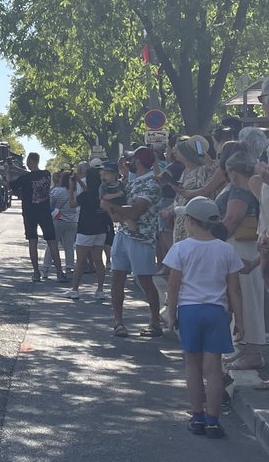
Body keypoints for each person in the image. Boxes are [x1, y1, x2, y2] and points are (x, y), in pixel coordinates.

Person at [164, 196, 245, 439]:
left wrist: (170, 314)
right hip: (216, 311)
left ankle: (197, 416)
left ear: (190, 221)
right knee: (213, 368)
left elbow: (173, 286)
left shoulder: (181, 248)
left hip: (189, 310)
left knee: (192, 366)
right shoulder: (226, 249)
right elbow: (234, 289)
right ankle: (213, 420)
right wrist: (239, 320)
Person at [105, 146, 163, 337]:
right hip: (123, 233)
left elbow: (135, 211)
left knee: (145, 280)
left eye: (130, 160)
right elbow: (120, 212)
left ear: (137, 161)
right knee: (117, 277)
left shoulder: (151, 185)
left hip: (142, 238)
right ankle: (118, 322)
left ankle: (155, 323)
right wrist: (117, 210)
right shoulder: (131, 182)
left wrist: (112, 206)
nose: (127, 163)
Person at [215, 151, 264, 370]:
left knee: (246, 298)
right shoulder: (252, 188)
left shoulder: (239, 191)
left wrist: (213, 242)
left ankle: (252, 350)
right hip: (248, 245)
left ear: (234, 172)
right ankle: (245, 348)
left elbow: (231, 219)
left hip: (239, 244)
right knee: (244, 297)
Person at [11, 152, 67, 282]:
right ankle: (59, 272)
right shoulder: (46, 174)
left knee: (32, 241)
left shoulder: (25, 178)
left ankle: (36, 272)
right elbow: (31, 174)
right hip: (44, 212)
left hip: (29, 212)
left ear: (30, 162)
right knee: (52, 242)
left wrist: (10, 170)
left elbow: (12, 185)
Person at [63, 167, 109, 301]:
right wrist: (80, 183)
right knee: (98, 260)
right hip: (100, 229)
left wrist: (72, 188)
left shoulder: (85, 195)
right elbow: (89, 190)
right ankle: (100, 290)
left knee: (80, 261)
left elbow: (72, 204)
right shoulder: (102, 193)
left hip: (85, 229)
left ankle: (75, 289)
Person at [48, 171, 77, 274]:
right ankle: (69, 267)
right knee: (69, 246)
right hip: (72, 221)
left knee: (52, 245)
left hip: (58, 220)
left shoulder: (56, 191)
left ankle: (45, 268)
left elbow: (49, 204)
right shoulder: (75, 192)